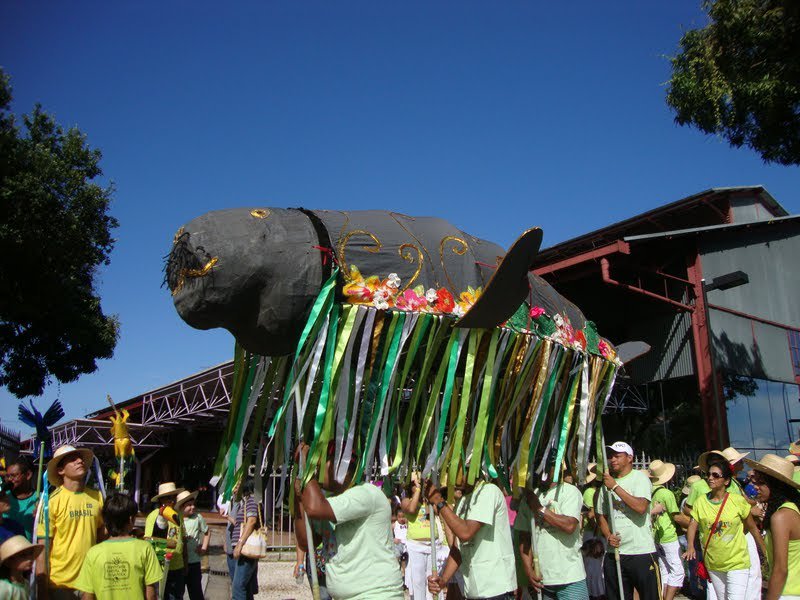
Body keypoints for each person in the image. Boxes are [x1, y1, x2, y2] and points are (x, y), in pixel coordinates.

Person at [296, 443, 403, 599]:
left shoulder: (365, 494)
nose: (316, 469)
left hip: (376, 594)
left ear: (341, 466)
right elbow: (306, 542)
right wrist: (299, 496)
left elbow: (314, 508)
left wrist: (306, 470)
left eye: (320, 463)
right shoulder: (330, 502)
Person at [425, 475, 517, 600]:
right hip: (473, 591)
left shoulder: (489, 491)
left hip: (496, 590)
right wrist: (443, 580)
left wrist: (439, 502)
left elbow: (466, 533)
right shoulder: (462, 502)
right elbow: (457, 548)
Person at [683, 457, 763, 600]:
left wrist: (765, 551)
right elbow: (693, 524)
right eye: (708, 475)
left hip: (737, 562)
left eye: (715, 475)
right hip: (713, 563)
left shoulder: (737, 501)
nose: (710, 478)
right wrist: (690, 546)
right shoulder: (701, 501)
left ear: (726, 481)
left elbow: (752, 528)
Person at [37, 445, 105, 599]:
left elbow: (103, 535)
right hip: (61, 584)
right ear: (61, 470)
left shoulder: (97, 497)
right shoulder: (51, 502)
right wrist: (42, 589)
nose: (79, 461)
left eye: (80, 458)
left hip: (90, 582)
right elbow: (43, 548)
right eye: (73, 459)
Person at [596, 441, 659, 600]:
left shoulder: (640, 478)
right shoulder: (605, 485)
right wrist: (608, 535)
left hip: (640, 551)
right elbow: (601, 515)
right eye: (611, 456)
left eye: (617, 456)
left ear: (630, 458)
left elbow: (641, 507)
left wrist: (615, 487)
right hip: (615, 552)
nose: (613, 460)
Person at [515, 472, 590, 600]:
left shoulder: (570, 491)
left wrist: (539, 508)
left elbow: (569, 526)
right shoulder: (530, 496)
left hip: (570, 577)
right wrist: (528, 570)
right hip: (543, 580)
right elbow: (524, 538)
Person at [74, 492, 162, 600]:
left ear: (105, 521)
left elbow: (87, 597)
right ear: (131, 519)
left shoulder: (93, 553)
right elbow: (151, 594)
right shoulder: (145, 548)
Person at [744, 454, 800, 600]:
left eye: (761, 482)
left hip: (788, 593)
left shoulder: (781, 516)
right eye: (755, 481)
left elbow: (781, 569)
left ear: (776, 485)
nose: (755, 487)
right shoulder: (792, 509)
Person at [401, 472, 448, 600]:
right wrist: (417, 491)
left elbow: (441, 511)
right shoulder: (406, 501)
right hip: (416, 546)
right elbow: (411, 510)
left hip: (433, 545)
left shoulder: (429, 500)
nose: (418, 486)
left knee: (433, 578)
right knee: (418, 580)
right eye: (415, 484)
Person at [648, 460, 687, 600]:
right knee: (678, 571)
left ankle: (662, 596)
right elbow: (676, 517)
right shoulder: (666, 493)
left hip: (656, 536)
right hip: (668, 536)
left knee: (665, 570)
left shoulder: (648, 491)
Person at [144, 482, 187, 600]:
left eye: (173, 497)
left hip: (178, 566)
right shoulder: (153, 515)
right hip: (161, 567)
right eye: (168, 498)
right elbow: (148, 541)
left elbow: (183, 539)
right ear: (161, 500)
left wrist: (185, 563)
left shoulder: (178, 515)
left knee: (177, 596)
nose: (172, 500)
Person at [176, 490, 209, 600]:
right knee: (179, 592)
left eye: (193, 504)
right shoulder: (176, 519)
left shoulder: (197, 517)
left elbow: (207, 532)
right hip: (179, 563)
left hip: (194, 561)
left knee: (196, 592)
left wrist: (204, 548)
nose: (192, 507)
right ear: (181, 507)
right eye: (189, 505)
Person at [230, 478, 259, 600]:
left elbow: (251, 521)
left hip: (246, 550)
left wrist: (239, 543)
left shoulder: (251, 500)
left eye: (237, 486)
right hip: (244, 549)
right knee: (246, 587)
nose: (234, 489)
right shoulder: (245, 502)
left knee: (238, 587)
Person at [4, 457, 39, 541]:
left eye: (13, 476)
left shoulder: (41, 499)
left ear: (28, 475)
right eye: (8, 476)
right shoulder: (3, 499)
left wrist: (42, 517)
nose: (9, 479)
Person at [0, 534, 42, 599]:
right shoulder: (4, 588)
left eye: (30, 553)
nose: (29, 559)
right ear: (8, 561)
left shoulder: (26, 584)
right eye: (23, 555)